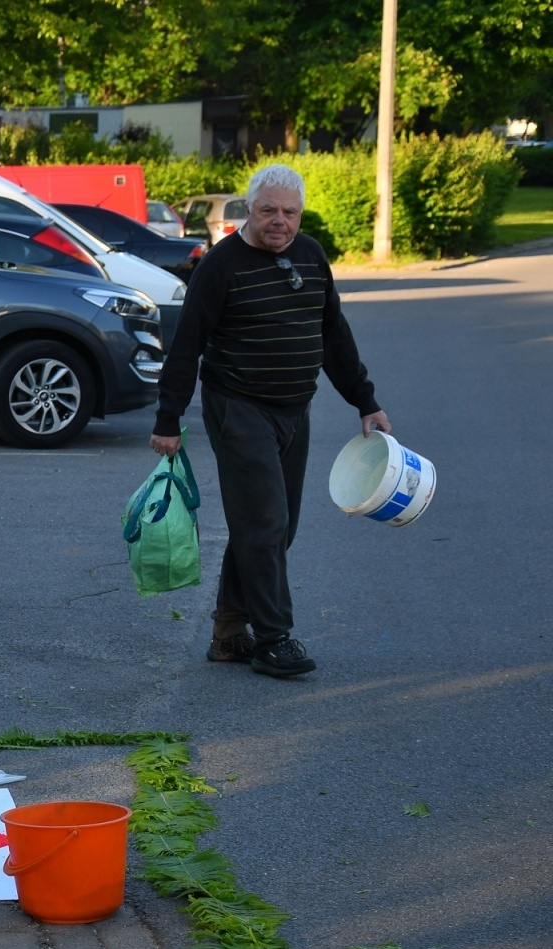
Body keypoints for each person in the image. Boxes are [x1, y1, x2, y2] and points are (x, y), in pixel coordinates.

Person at [150, 164, 391, 678]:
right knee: (265, 521)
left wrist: (364, 400)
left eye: (290, 212)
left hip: (293, 409)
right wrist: (168, 417)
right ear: (249, 210)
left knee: (274, 527)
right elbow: (187, 342)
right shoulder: (221, 265)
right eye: (268, 211)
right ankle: (274, 638)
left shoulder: (311, 255)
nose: (279, 221)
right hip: (238, 406)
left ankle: (229, 633)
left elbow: (333, 334)